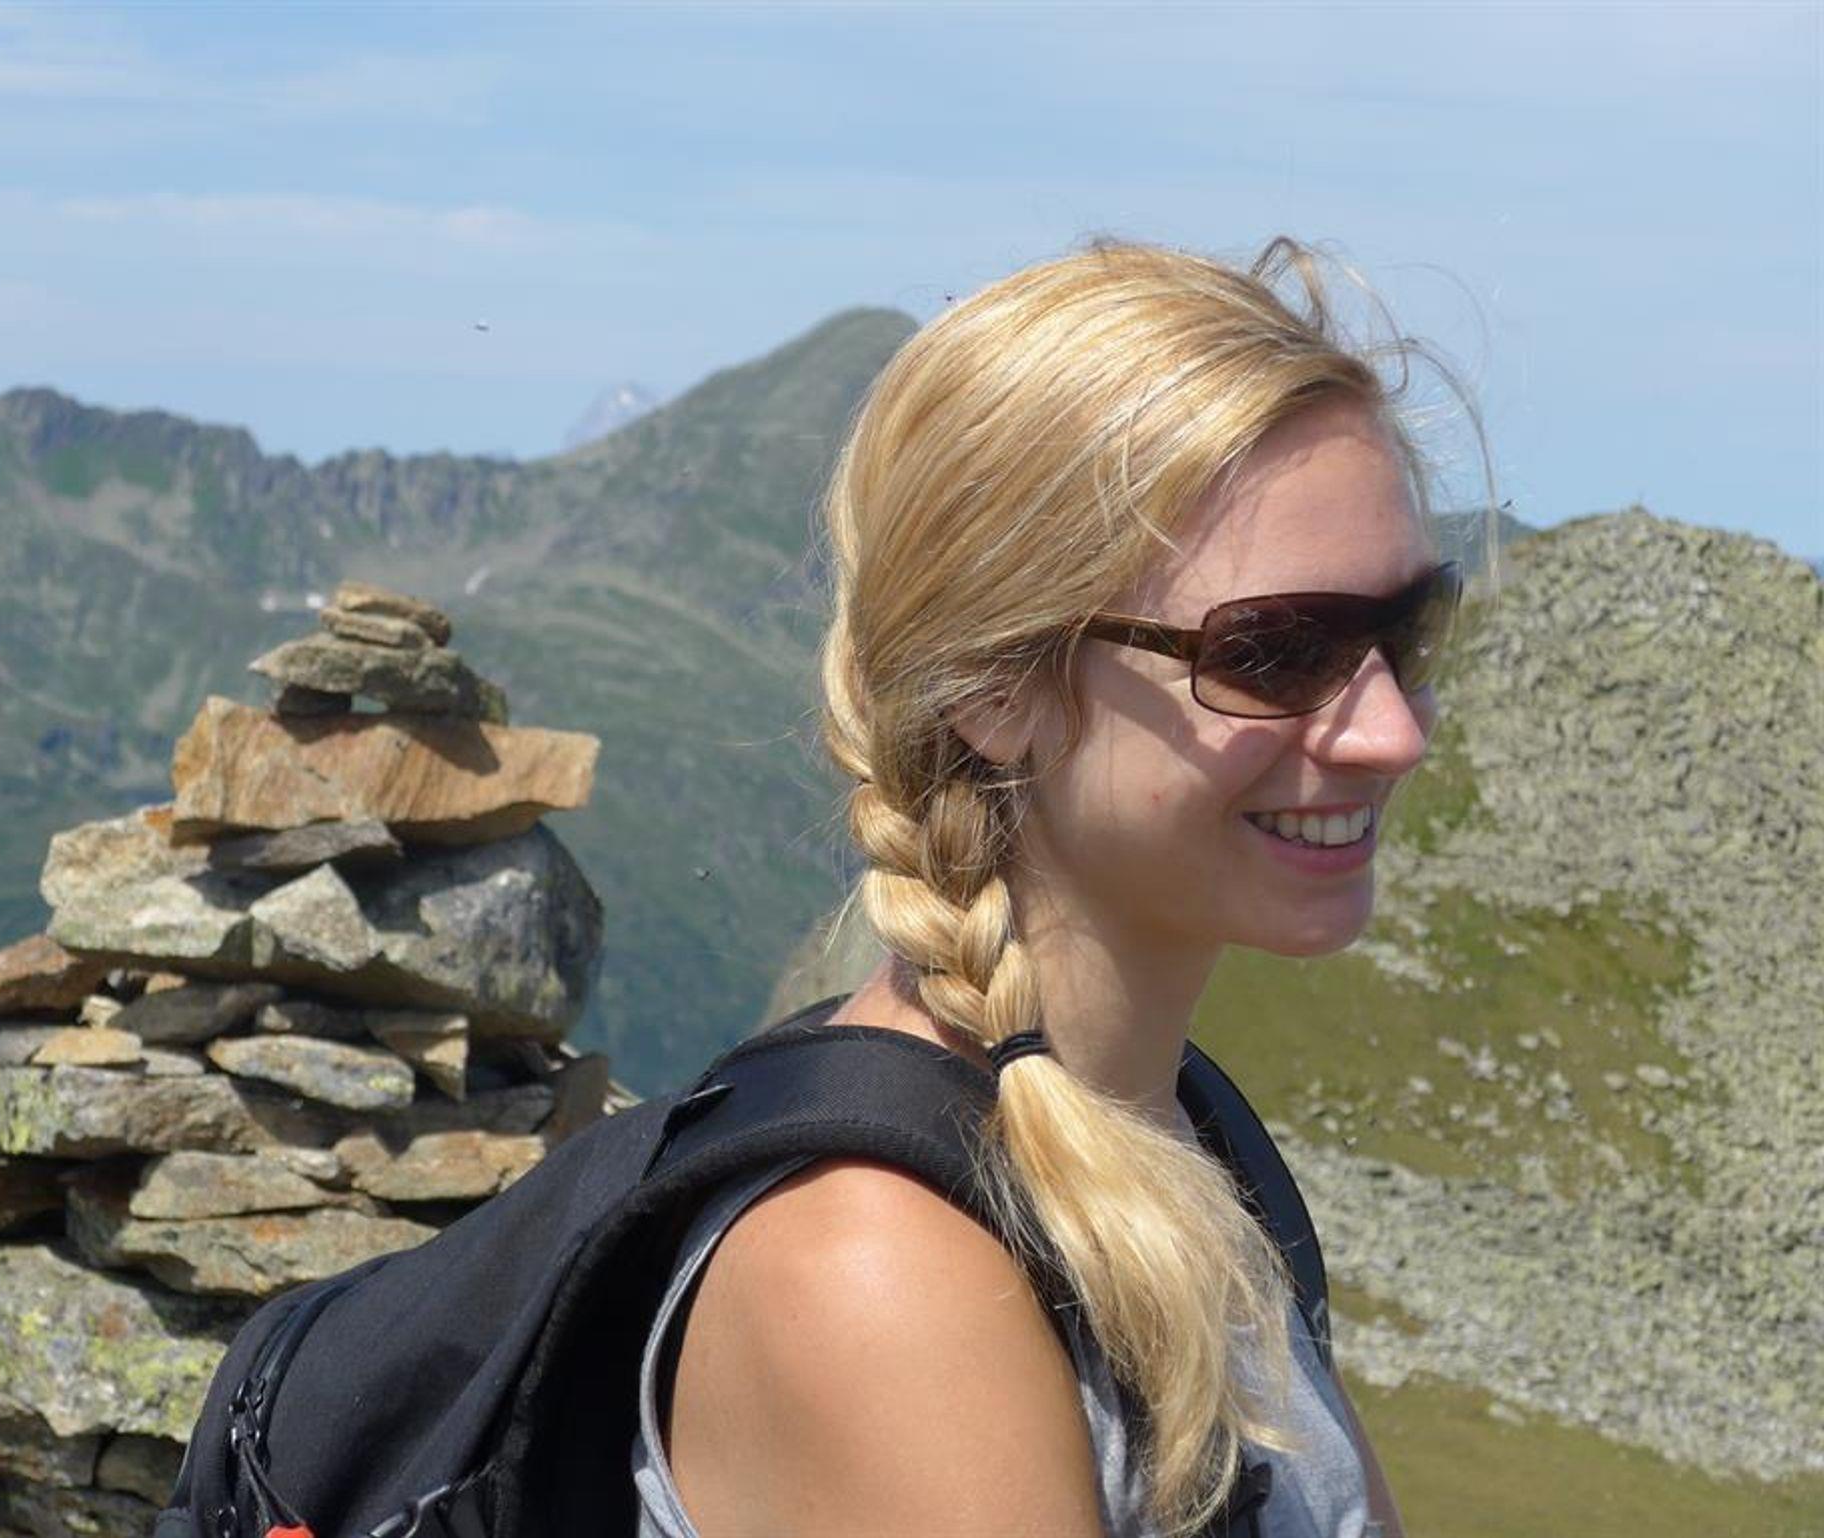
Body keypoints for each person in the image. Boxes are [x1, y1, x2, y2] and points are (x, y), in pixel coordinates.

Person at [630, 236, 1489, 1538]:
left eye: (1405, 632)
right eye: (1271, 651)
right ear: (994, 689)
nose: (1392, 734)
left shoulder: (1178, 1132)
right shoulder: (881, 1271)